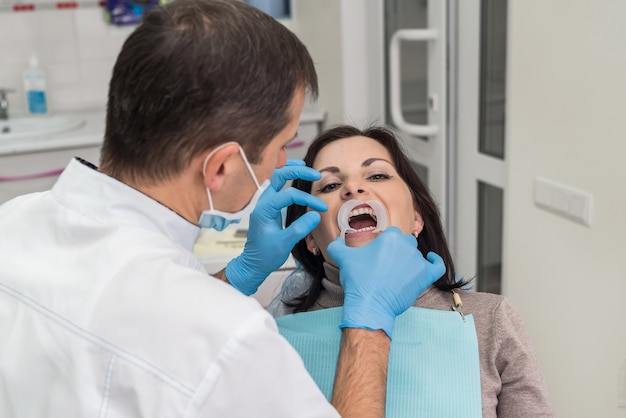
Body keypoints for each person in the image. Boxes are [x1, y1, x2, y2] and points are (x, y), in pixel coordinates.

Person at [0, 2, 446, 418]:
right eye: (279, 145)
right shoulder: (231, 338)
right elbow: (177, 325)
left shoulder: (13, 221)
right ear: (221, 166)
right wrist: (369, 323)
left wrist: (236, 277)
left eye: (378, 175)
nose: (280, 164)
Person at [267, 125, 555, 418]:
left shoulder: (492, 320)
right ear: (311, 237)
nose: (353, 189)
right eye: (329, 185)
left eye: (377, 175)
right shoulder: (271, 338)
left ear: (416, 218)